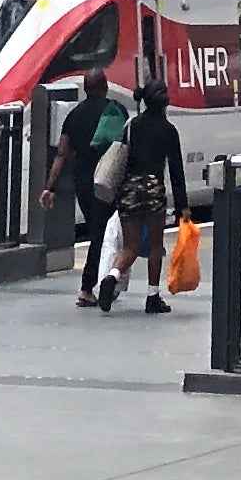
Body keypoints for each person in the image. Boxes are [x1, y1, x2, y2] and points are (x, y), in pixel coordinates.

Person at [95, 80, 187, 314]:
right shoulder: (168, 130)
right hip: (152, 189)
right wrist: (183, 207)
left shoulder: (132, 126)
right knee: (155, 245)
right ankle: (152, 296)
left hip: (129, 189)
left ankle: (112, 277)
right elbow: (176, 170)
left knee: (130, 246)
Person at [53, 70, 128, 302]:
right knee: (103, 233)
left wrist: (49, 186)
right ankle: (92, 286)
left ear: (85, 88)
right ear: (106, 86)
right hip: (108, 179)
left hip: (83, 181)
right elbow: (124, 146)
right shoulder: (116, 110)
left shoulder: (74, 115)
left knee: (99, 230)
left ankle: (101, 283)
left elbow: (62, 153)